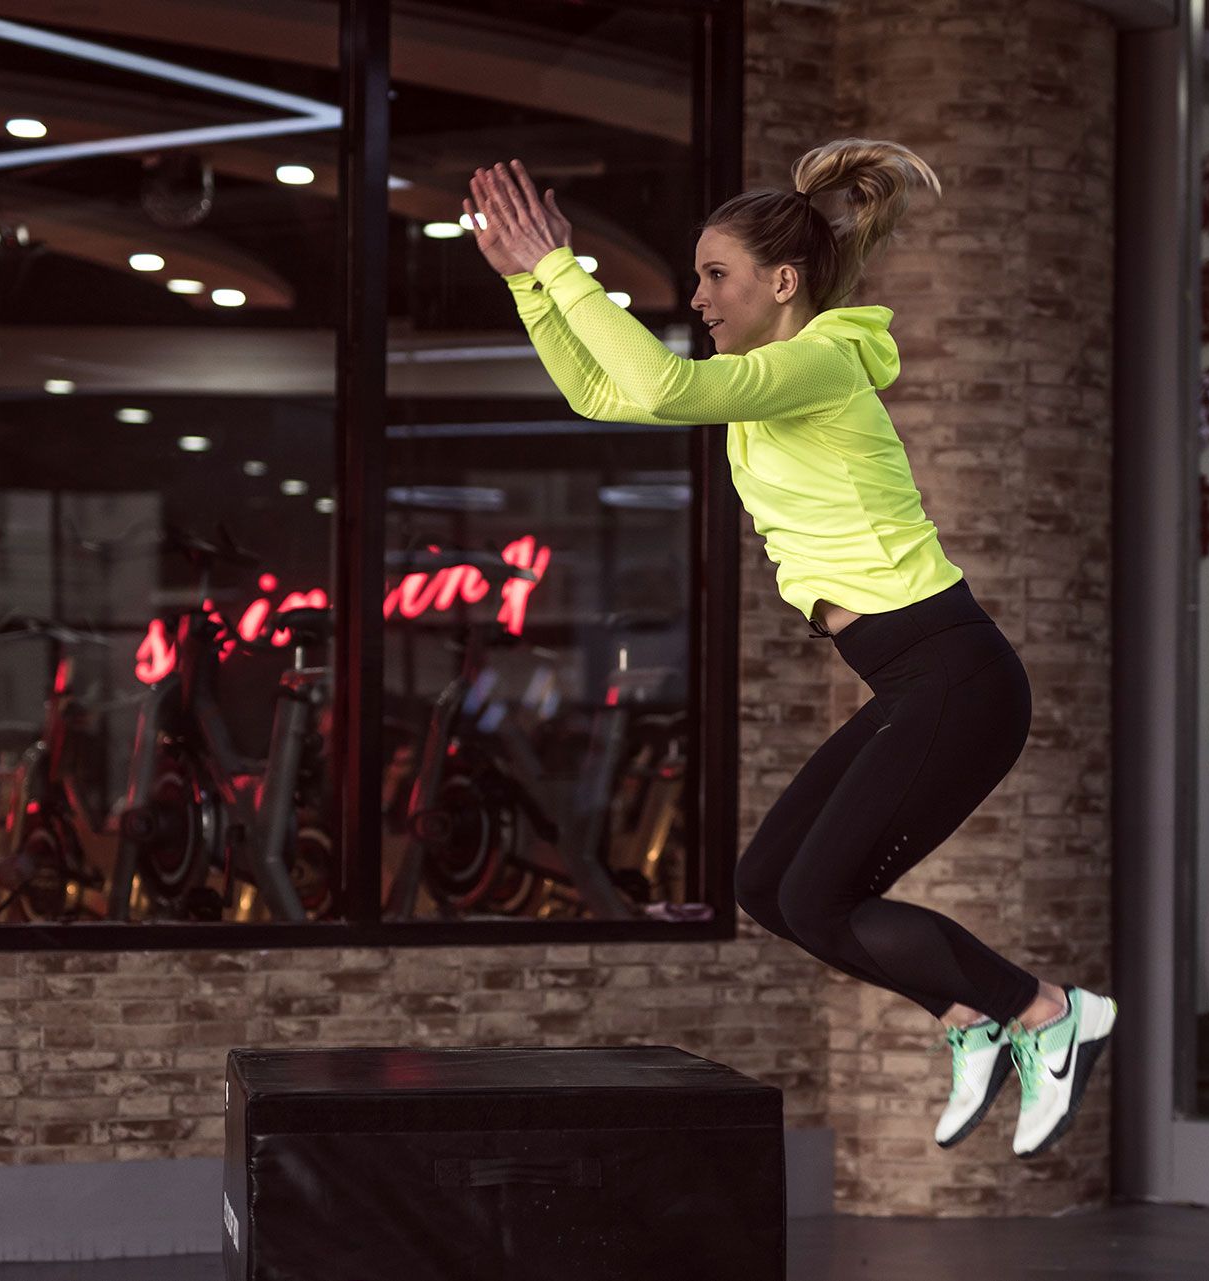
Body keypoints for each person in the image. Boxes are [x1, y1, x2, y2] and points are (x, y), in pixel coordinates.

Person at [463, 139, 1115, 1159]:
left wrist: (559, 266)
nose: (698, 298)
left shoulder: (818, 365)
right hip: (913, 681)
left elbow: (662, 389)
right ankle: (972, 1016)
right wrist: (529, 288)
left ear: (782, 282)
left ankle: (1049, 1011)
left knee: (819, 896)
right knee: (768, 887)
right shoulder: (761, 382)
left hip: (955, 678)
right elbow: (604, 392)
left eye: (715, 275)